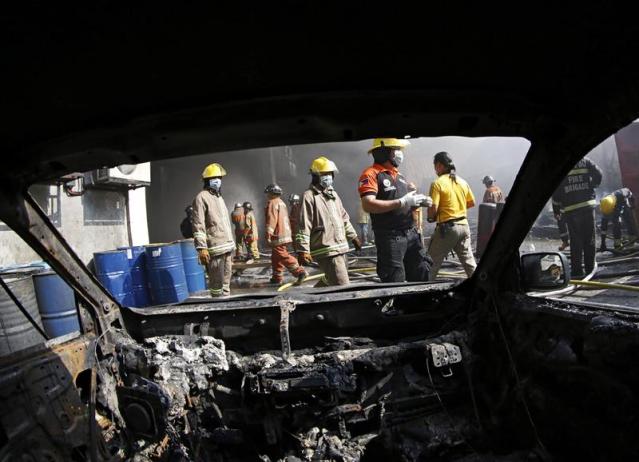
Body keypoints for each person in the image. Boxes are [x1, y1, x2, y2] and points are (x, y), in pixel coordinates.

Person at [358, 138, 433, 282]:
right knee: (395, 280)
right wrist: (402, 201)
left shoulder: (400, 176)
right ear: (385, 152)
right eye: (396, 149)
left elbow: (403, 206)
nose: (400, 154)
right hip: (390, 237)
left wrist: (417, 203)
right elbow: (368, 204)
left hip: (411, 234)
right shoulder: (371, 174)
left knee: (422, 272)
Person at [296, 157, 361, 286]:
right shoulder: (309, 196)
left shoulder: (333, 195)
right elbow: (304, 225)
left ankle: (315, 296)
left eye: (330, 174)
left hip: (341, 247)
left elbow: (343, 218)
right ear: (315, 176)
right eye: (325, 174)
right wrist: (303, 250)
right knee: (342, 285)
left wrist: (353, 237)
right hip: (326, 249)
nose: (329, 177)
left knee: (332, 278)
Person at [427, 151, 477, 279]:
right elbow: (471, 203)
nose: (435, 170)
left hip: (447, 228)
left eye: (435, 167)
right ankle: (482, 289)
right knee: (470, 264)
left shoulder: (437, 183)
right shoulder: (462, 182)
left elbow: (434, 207)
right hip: (464, 227)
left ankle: (422, 294)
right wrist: (457, 208)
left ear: (439, 165)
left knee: (430, 264)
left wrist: (431, 217)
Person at [552, 157, 602, 278]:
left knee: (576, 242)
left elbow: (556, 189)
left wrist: (556, 208)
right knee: (590, 240)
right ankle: (590, 270)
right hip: (587, 207)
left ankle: (577, 272)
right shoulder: (585, 161)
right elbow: (599, 174)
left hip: (571, 209)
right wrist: (593, 185)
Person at [191, 163, 235, 297]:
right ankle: (217, 303)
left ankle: (226, 303)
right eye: (215, 177)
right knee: (217, 283)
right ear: (207, 180)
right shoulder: (201, 198)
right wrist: (201, 248)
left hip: (227, 246)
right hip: (215, 248)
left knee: (227, 281)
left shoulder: (218, 197)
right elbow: (198, 225)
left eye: (219, 177)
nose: (218, 180)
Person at [264, 183, 307, 285]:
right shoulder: (281, 203)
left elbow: (272, 219)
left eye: (268, 193)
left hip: (277, 234)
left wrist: (268, 233)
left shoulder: (272, 203)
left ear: (272, 193)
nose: (267, 195)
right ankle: (276, 277)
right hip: (285, 233)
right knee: (275, 256)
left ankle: (300, 272)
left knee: (281, 254)